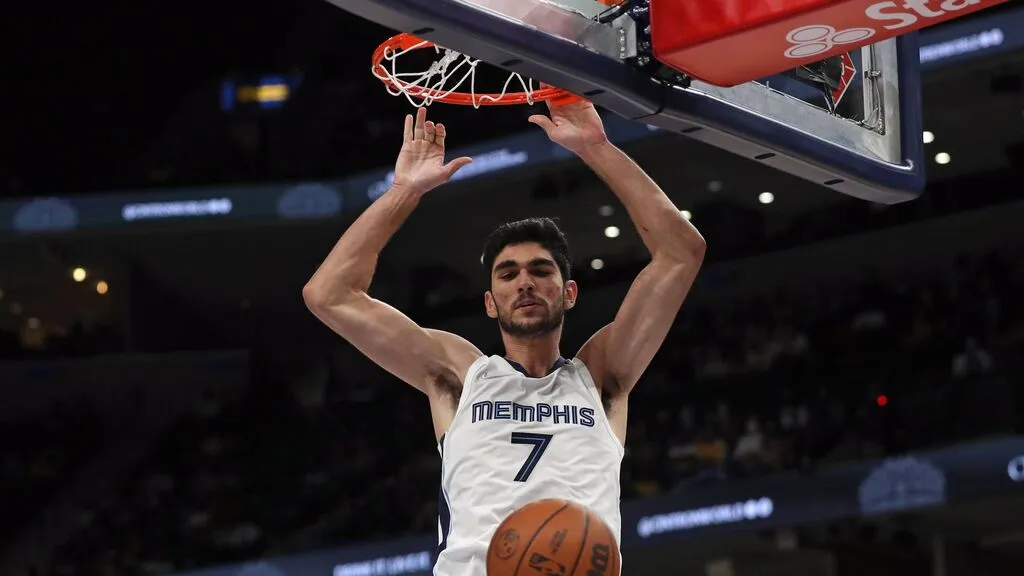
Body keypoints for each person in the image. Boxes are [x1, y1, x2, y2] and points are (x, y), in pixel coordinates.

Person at [303, 102, 706, 574]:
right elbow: (328, 294)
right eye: (508, 274)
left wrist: (597, 148)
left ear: (569, 292)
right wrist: (404, 192)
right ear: (490, 303)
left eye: (540, 270)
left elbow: (682, 252)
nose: (525, 283)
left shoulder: (602, 375)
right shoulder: (461, 374)